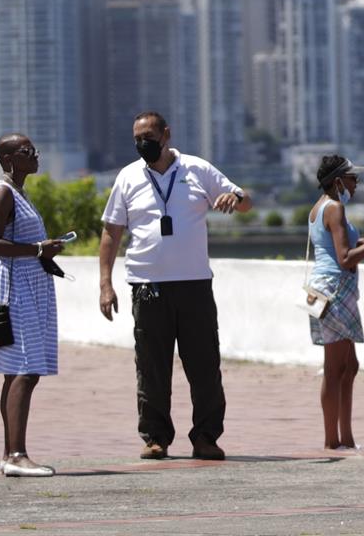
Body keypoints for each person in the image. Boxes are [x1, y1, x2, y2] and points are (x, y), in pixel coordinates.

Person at [98, 111, 253, 461]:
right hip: (147, 286)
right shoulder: (127, 177)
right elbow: (111, 232)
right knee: (152, 367)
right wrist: (105, 283)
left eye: (149, 136)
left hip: (194, 285)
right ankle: (155, 437)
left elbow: (244, 202)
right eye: (137, 139)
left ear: (166, 134)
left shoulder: (197, 169)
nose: (143, 144)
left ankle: (206, 437)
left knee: (204, 366)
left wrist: (236, 197)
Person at [0, 134, 66, 478]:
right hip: (13, 288)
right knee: (24, 370)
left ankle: (9, 453)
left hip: (26, 284)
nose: (36, 155)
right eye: (28, 151)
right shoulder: (2, 191)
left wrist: (42, 251)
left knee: (18, 371)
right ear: (10, 158)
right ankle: (16, 454)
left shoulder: (19, 192)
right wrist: (38, 250)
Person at [307, 153, 364, 452]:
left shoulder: (319, 208)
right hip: (335, 289)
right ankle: (332, 440)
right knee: (335, 367)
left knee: (349, 365)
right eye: (353, 178)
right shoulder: (335, 208)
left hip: (324, 290)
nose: (356, 184)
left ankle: (345, 438)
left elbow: (342, 245)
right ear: (338, 181)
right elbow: (345, 257)